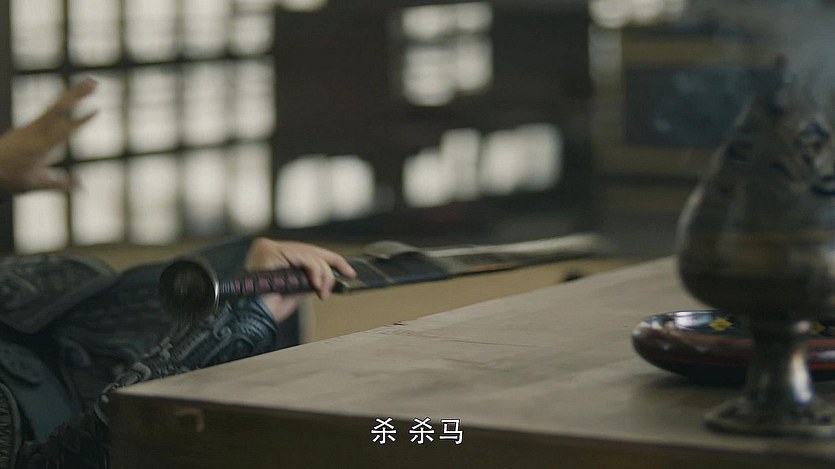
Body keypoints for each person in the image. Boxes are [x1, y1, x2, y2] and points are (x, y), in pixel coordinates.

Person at [0, 80, 356, 468]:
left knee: (216, 278)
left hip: (43, 324)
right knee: (238, 314)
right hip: (49, 423)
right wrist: (225, 330)